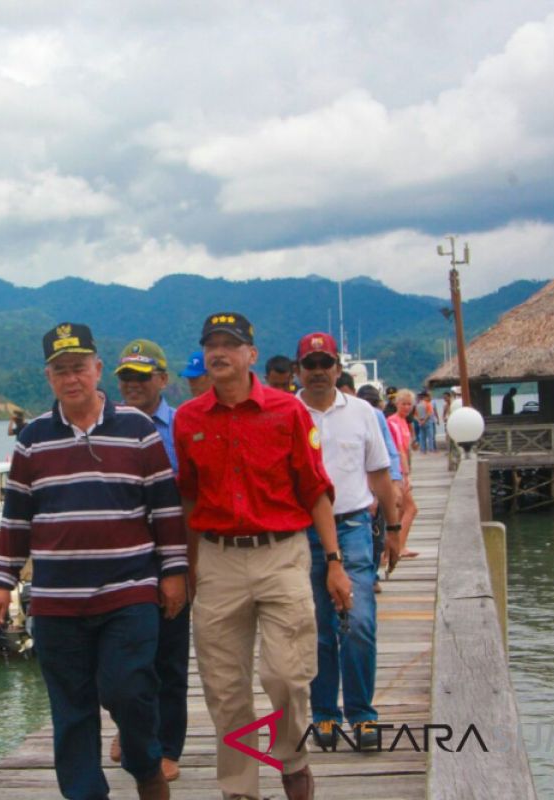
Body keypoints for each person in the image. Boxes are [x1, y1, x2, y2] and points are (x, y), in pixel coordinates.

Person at [0, 322, 187, 800]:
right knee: (71, 709)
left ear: (97, 369)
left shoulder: (138, 430)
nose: (71, 378)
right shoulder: (32, 439)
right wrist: (1, 584)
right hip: (57, 601)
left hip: (129, 590)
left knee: (130, 688)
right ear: (48, 377)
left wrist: (175, 572)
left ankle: (145, 766)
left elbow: (165, 508)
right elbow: (16, 519)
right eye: (60, 371)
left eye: (79, 367)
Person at [175, 311, 346, 800]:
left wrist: (334, 562)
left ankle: (291, 757)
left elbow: (316, 490)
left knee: (286, 674)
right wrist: (188, 565)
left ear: (251, 354)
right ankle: (240, 788)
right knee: (224, 686)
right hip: (218, 558)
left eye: (230, 344)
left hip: (282, 554)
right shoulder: (189, 419)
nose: (218, 353)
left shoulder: (287, 411)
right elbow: (188, 497)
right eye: (211, 345)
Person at [294, 333, 401, 751]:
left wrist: (392, 531)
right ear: (300, 370)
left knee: (359, 623)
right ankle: (324, 714)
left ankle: (361, 713)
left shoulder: (363, 413)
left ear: (338, 369)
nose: (318, 371)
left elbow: (379, 473)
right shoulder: (287, 413)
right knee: (317, 627)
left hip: (353, 526)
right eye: (310, 363)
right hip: (301, 533)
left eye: (326, 363)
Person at [112, 338, 187, 782]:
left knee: (170, 659)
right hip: (120, 561)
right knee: (123, 659)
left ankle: (166, 747)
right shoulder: (106, 425)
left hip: (170, 554)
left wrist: (185, 565)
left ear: (163, 379)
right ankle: (131, 727)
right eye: (125, 377)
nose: (132, 385)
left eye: (142, 377)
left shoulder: (181, 427)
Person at [356, 385, 403, 595]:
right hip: (357, 486)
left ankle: (372, 575)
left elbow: (389, 450)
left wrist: (396, 480)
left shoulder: (376, 417)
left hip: (376, 482)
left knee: (377, 530)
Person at [387, 390, 419, 559]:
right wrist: (406, 475)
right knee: (411, 509)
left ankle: (394, 547)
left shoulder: (404, 422)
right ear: (396, 404)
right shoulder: (392, 422)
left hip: (402, 469)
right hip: (397, 472)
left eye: (409, 404)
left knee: (400, 511)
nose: (406, 407)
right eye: (403, 403)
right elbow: (399, 451)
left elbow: (407, 448)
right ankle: (400, 547)